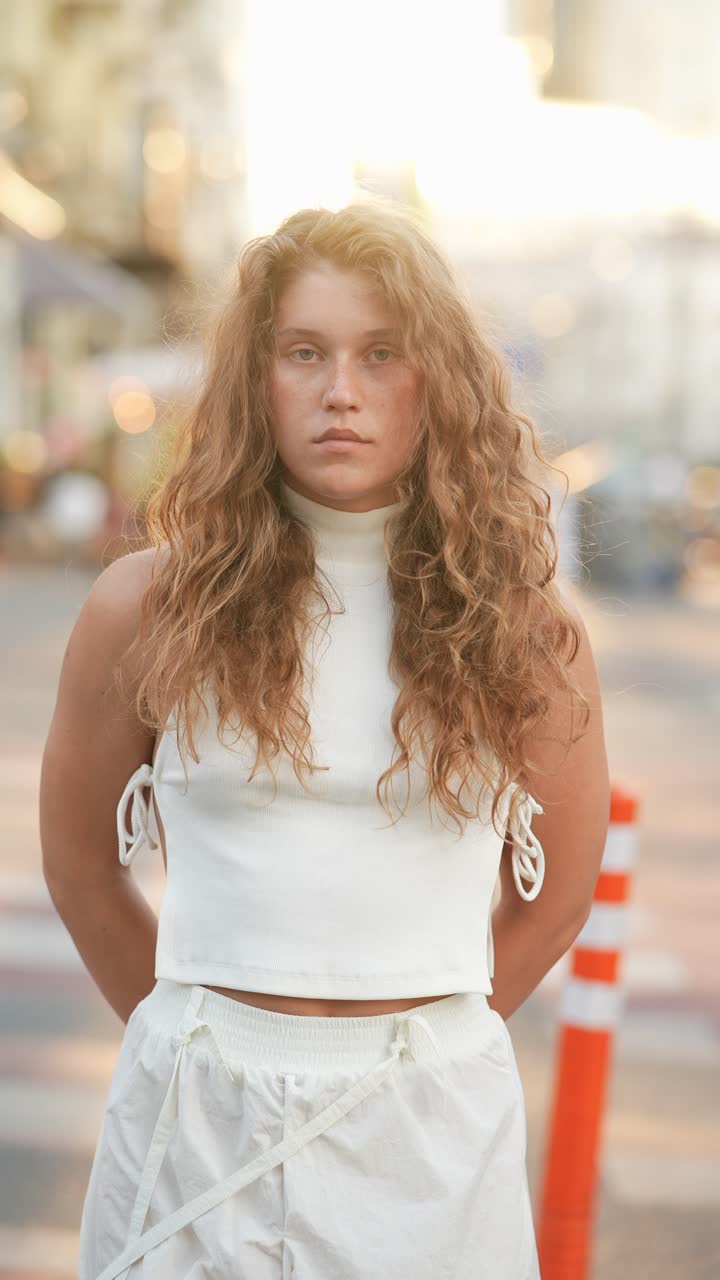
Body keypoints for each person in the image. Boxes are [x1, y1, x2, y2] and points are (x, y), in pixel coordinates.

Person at [40, 198, 610, 1279]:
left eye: (381, 354)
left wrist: (427, 1042)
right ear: (258, 379)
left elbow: (562, 890)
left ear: (434, 380)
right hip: (191, 1120)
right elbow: (77, 865)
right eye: (304, 352)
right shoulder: (144, 605)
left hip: (430, 1129)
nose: (341, 391)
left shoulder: (524, 628)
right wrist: (195, 1035)